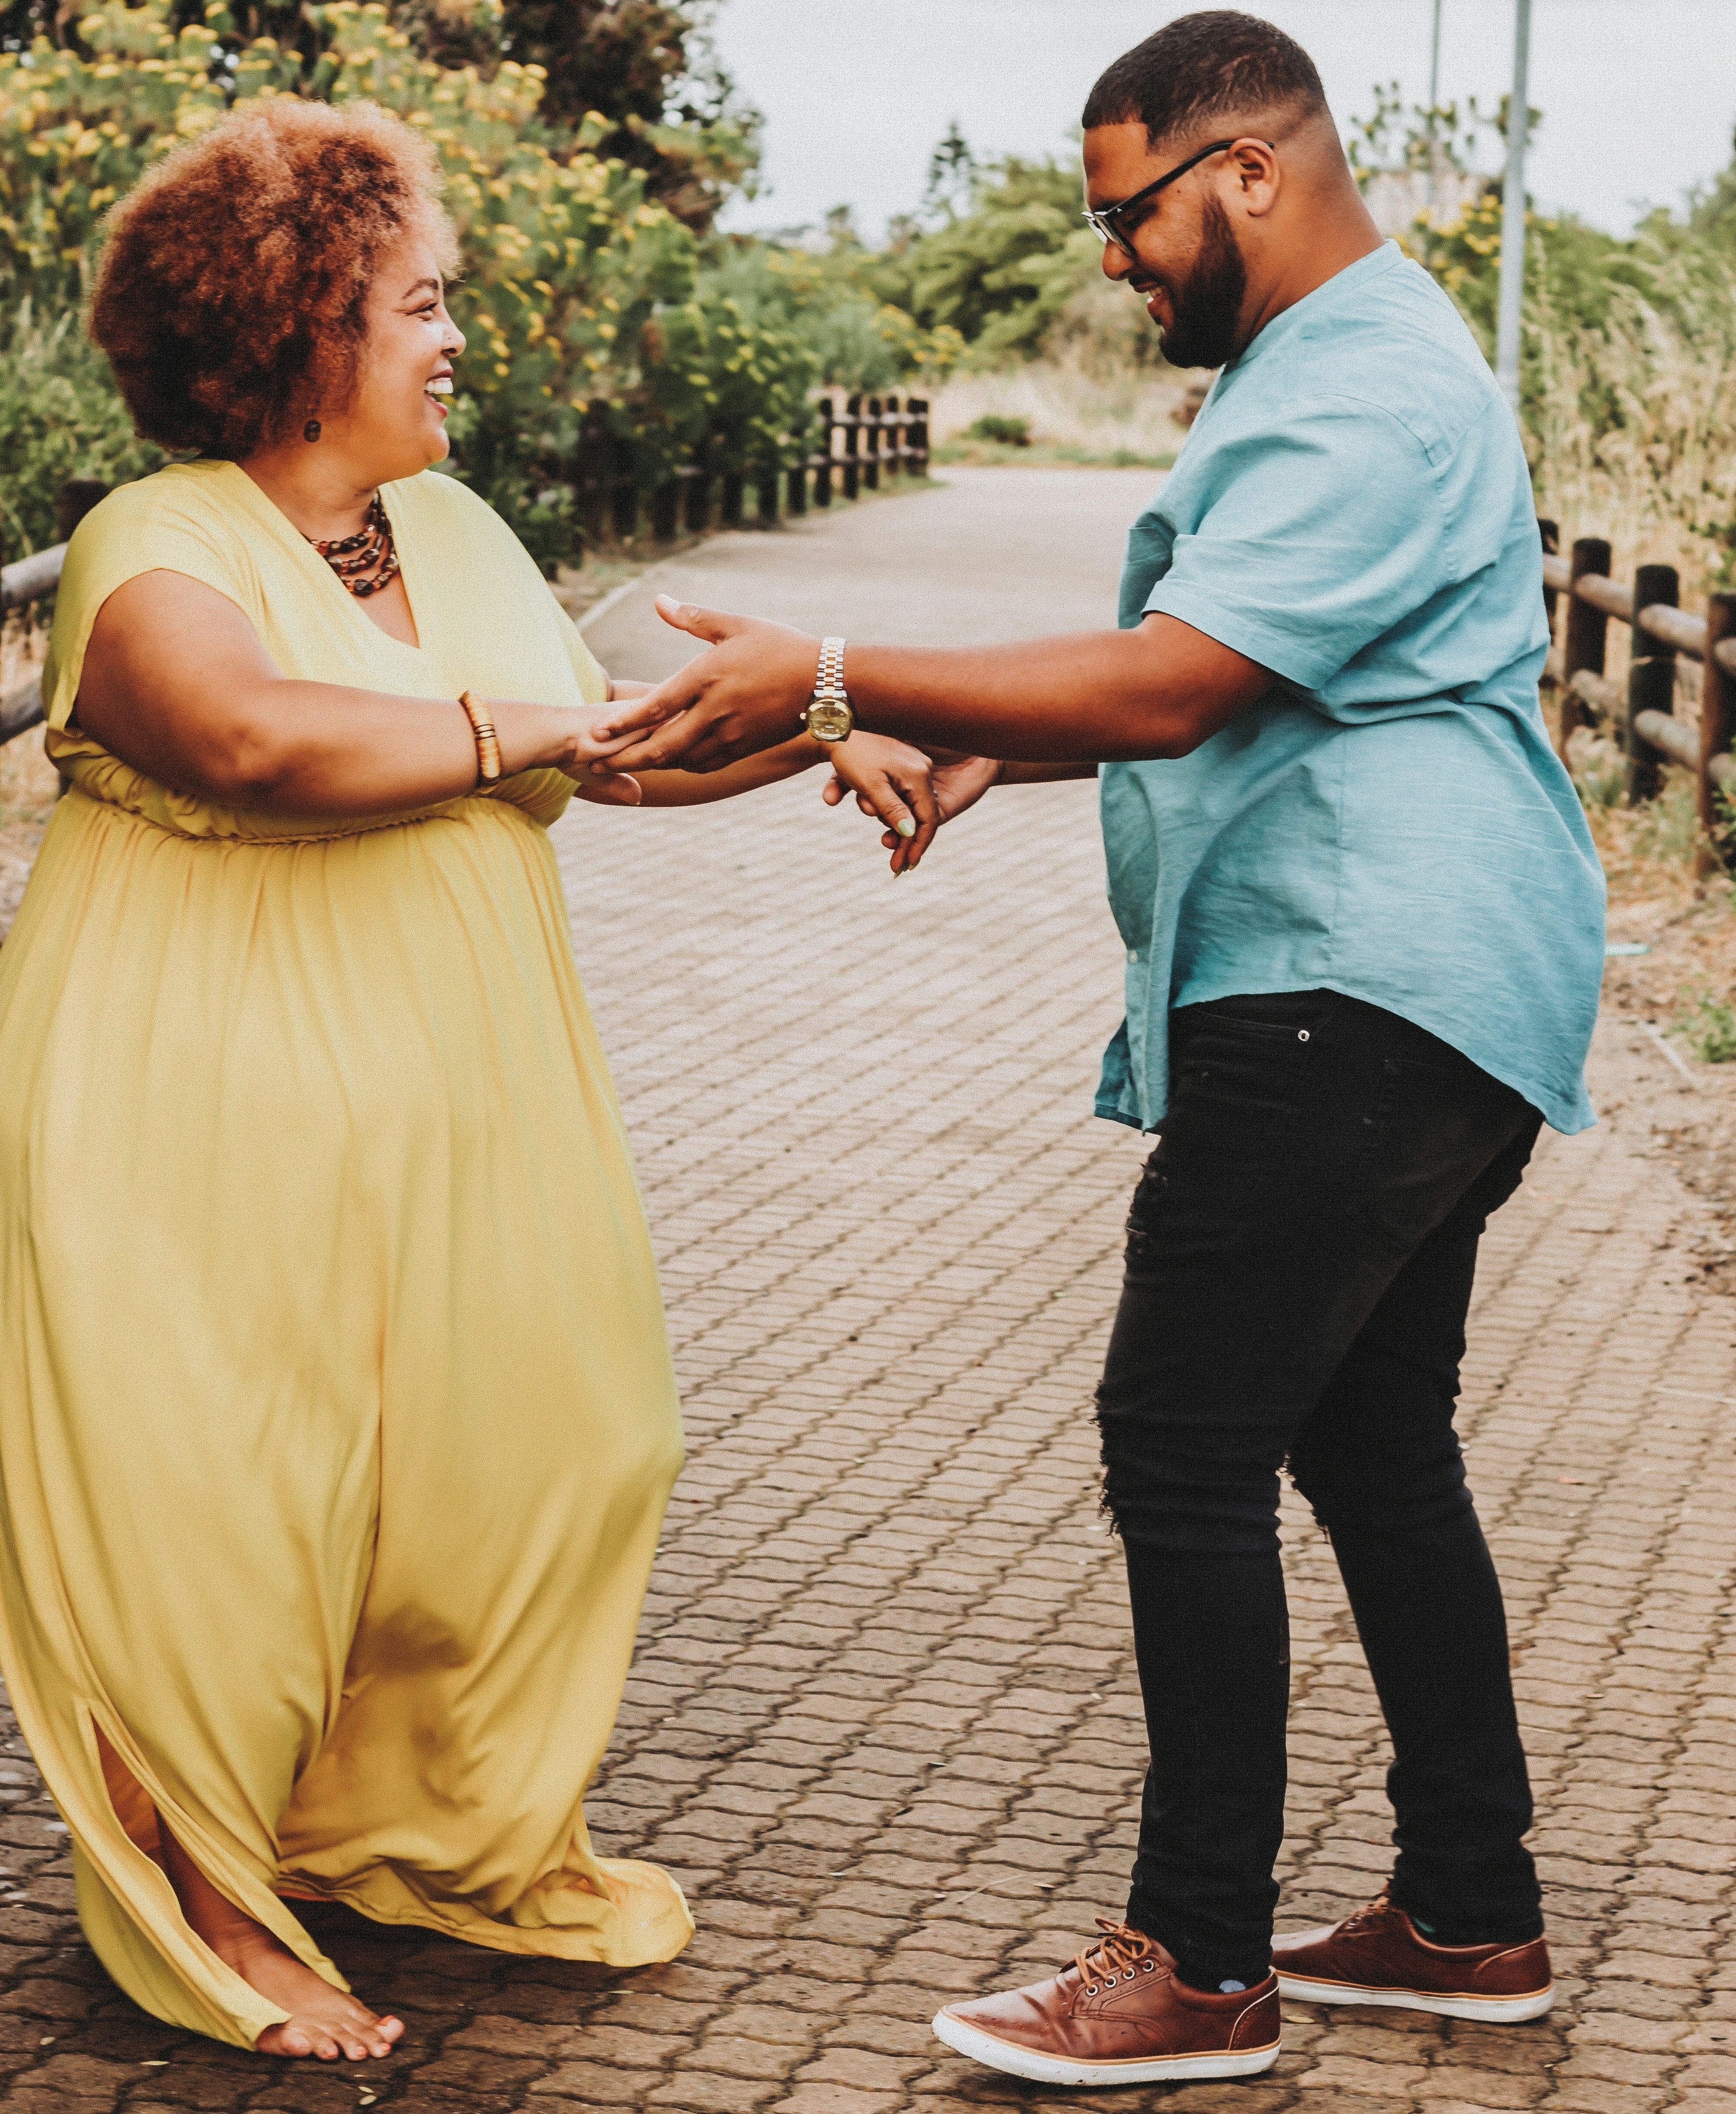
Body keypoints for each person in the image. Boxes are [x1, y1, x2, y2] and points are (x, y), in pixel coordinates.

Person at [594, 9, 1607, 2090]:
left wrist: (846, 664)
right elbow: (1258, 686)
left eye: (1129, 217)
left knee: (1182, 1438)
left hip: (1354, 985)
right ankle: (1465, 1912)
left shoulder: (1367, 382)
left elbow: (1177, 681)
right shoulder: (1333, 364)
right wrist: (984, 739)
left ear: (1244, 168)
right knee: (1370, 1442)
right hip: (1438, 985)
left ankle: (1196, 1968)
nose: (1115, 261)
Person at [0, 95, 938, 2062]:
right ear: (302, 323)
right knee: (225, 1515)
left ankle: (381, 1831)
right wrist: (541, 719)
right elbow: (260, 742)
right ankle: (198, 1909)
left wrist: (839, 723)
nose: (455, 341)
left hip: (464, 1101)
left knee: (551, 1455)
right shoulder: (147, 548)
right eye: (421, 304)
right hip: (188, 1112)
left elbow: (620, 749)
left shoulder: (451, 530)